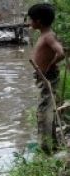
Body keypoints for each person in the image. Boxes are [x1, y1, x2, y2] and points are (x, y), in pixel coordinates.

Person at [29, 3, 66, 153]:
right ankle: (52, 144)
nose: (29, 22)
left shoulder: (48, 36)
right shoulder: (44, 35)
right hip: (44, 77)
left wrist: (51, 64)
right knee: (46, 109)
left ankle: (46, 147)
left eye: (31, 19)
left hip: (47, 78)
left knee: (43, 111)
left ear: (38, 21)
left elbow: (61, 53)